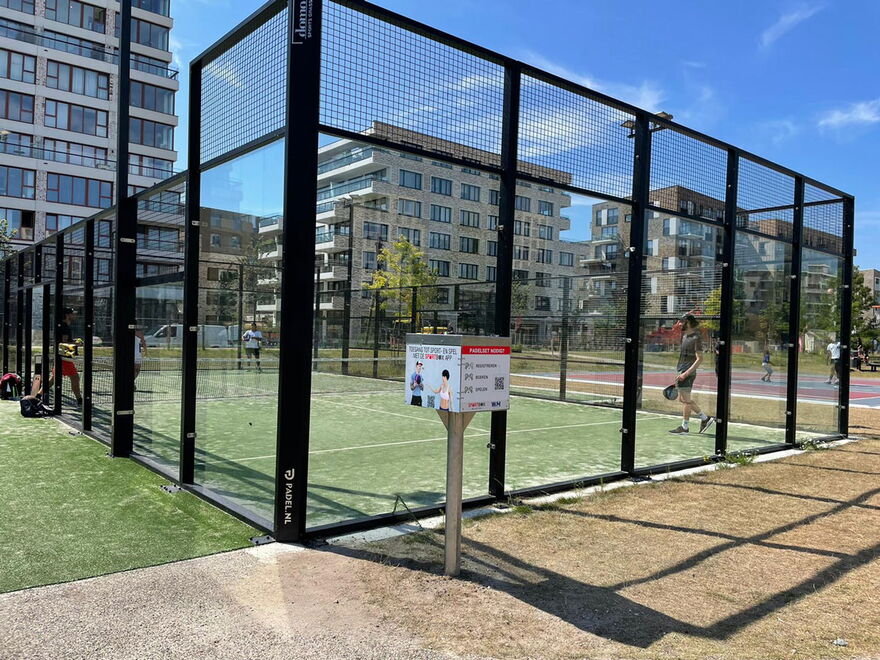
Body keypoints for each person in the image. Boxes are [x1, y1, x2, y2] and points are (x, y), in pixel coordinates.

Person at [669, 314, 714, 435]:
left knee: (686, 401)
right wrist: (680, 372)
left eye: (681, 321)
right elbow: (675, 329)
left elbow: (700, 359)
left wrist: (686, 373)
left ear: (688, 322)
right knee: (683, 399)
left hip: (688, 373)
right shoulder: (684, 336)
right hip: (681, 371)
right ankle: (705, 419)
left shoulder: (696, 338)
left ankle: (685, 428)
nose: (679, 323)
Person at [44, 307, 82, 406]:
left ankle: (38, 395)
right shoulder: (65, 327)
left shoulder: (62, 326)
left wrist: (73, 341)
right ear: (67, 315)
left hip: (61, 356)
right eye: (72, 314)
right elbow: (64, 342)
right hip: (64, 357)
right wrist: (76, 344)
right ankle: (80, 400)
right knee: (75, 378)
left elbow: (64, 340)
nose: (74, 315)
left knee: (53, 379)